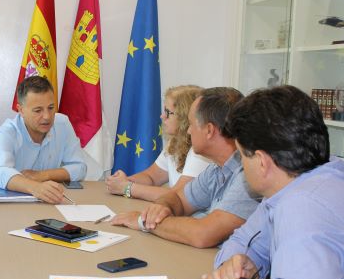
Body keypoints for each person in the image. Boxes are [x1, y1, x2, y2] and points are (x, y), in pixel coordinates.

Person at [202, 85, 344, 279]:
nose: (242, 167)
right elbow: (241, 241)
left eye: (242, 155)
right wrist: (237, 265)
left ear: (263, 162)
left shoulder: (302, 208)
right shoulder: (300, 182)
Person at [111, 87, 260, 248]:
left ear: (209, 130)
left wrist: (144, 221)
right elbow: (179, 199)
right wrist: (162, 207)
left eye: (191, 124)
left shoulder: (248, 175)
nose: (188, 131)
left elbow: (203, 234)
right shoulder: (216, 169)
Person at [0, 76, 86, 204]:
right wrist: (35, 187)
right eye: (38, 110)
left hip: (48, 203)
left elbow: (80, 167)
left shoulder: (62, 124)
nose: (47, 117)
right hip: (9, 206)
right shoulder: (6, 132)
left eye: (51, 108)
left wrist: (42, 175)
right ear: (21, 110)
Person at [105, 85, 209, 201]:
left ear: (184, 116)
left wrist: (127, 188)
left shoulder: (199, 151)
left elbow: (177, 196)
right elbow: (151, 177)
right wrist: (123, 181)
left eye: (168, 112)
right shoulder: (175, 143)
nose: (162, 116)